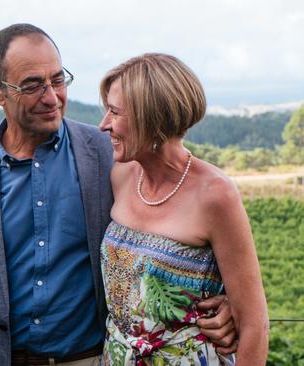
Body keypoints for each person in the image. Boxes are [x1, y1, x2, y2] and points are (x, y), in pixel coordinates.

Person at [0, 24, 236, 366]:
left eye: (57, 80)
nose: (52, 97)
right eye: (32, 85)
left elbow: (187, 211)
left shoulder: (111, 154)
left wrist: (226, 301)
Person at [98, 53, 269, 364]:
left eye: (114, 112)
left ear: (150, 118)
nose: (103, 125)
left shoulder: (216, 194)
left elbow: (254, 323)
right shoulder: (121, 175)